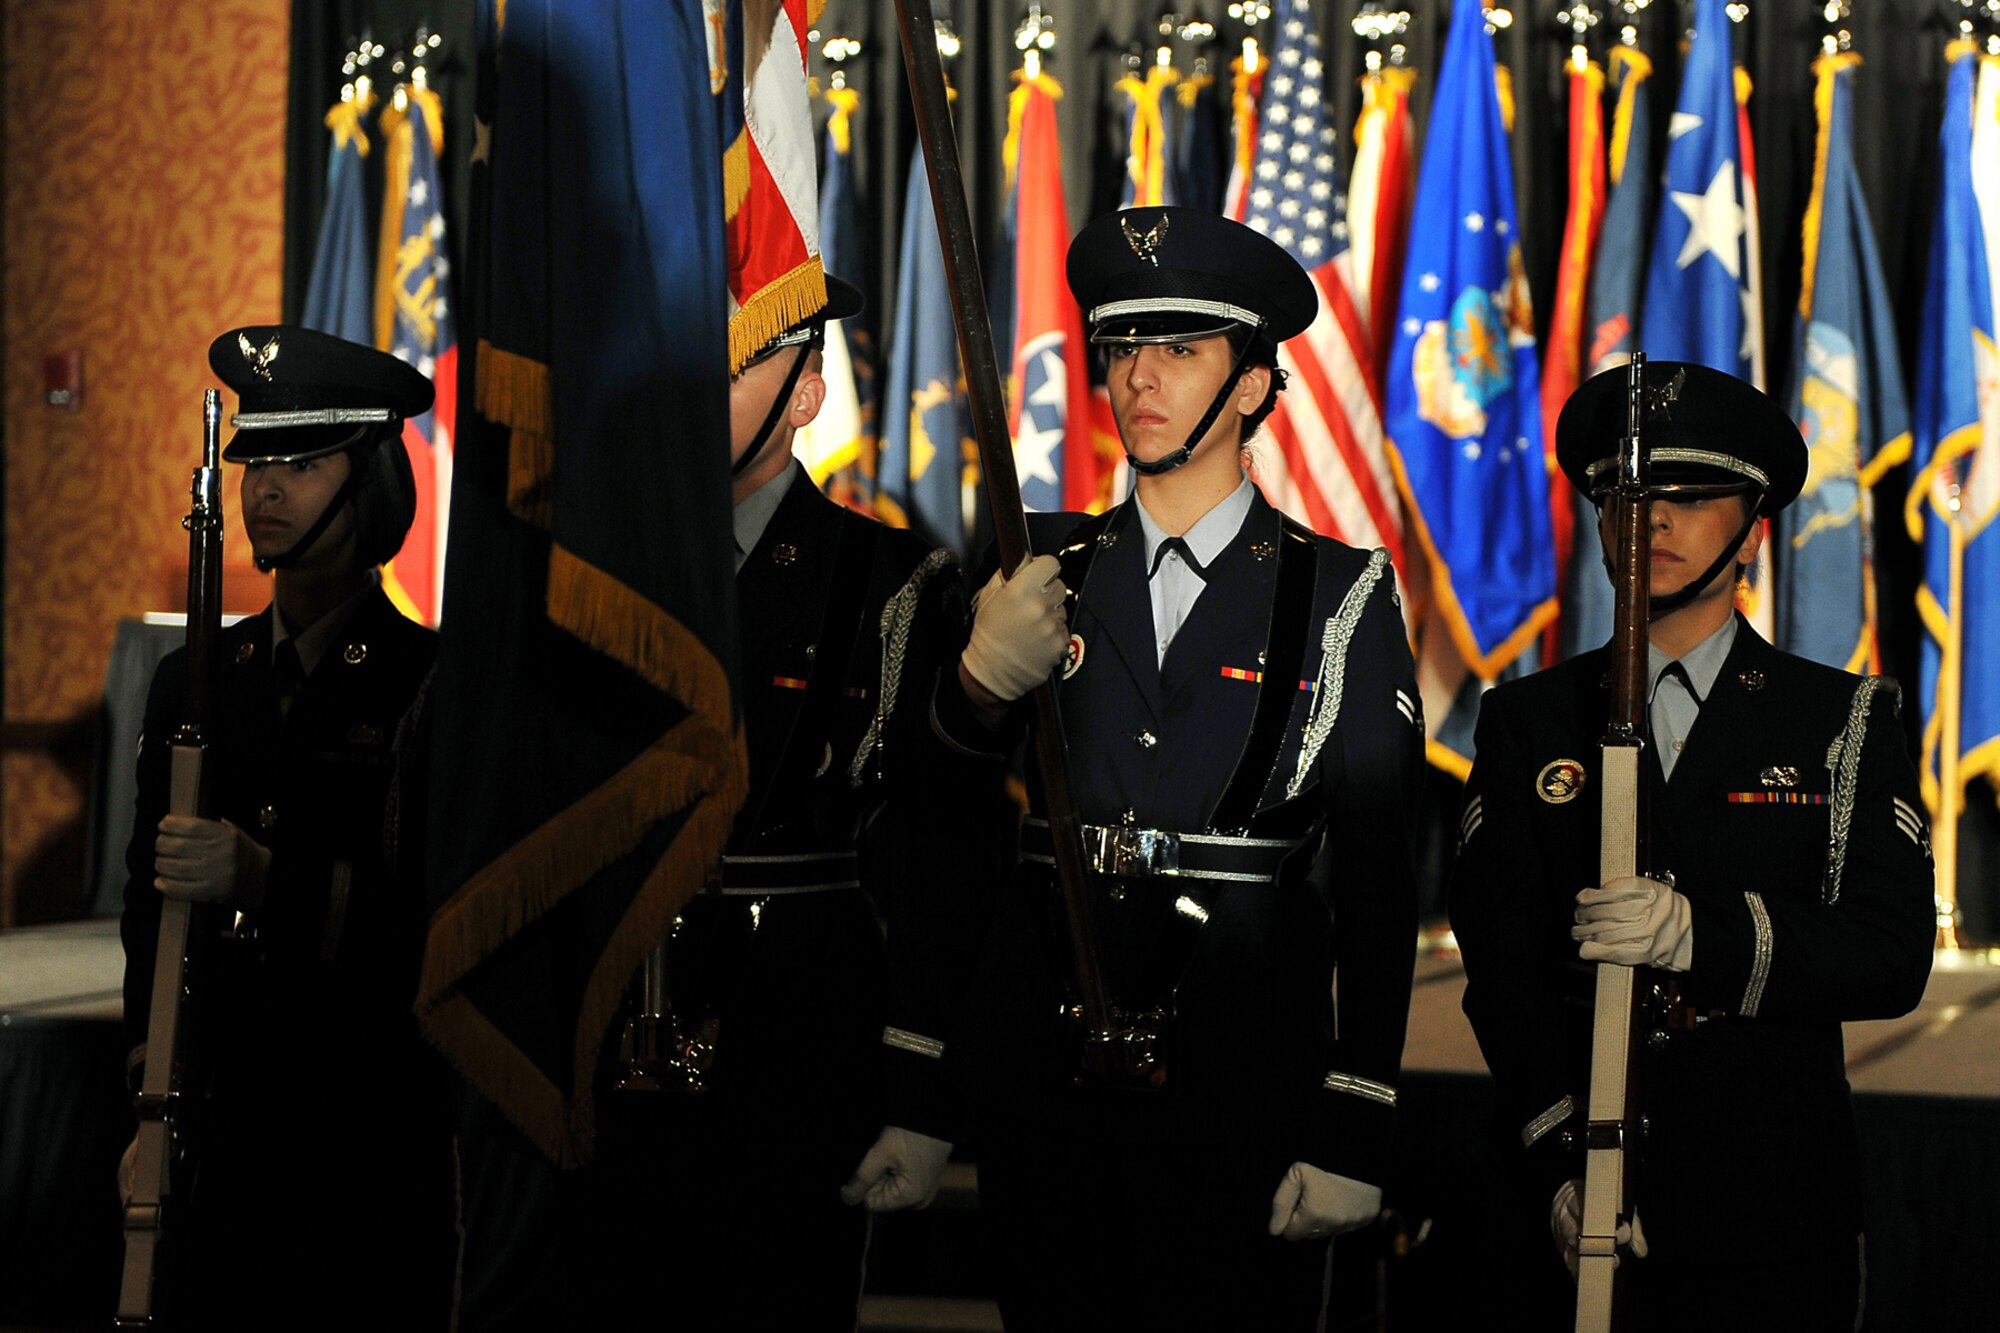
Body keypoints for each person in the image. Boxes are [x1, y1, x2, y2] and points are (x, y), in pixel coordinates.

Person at [931, 206, 1426, 1329]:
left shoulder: (1336, 593)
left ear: (1252, 382)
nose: (1138, 379)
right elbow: (930, 809)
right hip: (1043, 1079)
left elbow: (1378, 882)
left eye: (1181, 350)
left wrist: (1357, 1114)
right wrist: (969, 686)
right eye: (1121, 348)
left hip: (1239, 1076)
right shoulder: (1034, 560)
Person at [1448, 361, 1935, 1328]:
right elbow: (1499, 967)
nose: (1652, 523)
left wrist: (1699, 939)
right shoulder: (1530, 720)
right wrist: (1563, 1160)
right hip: (1572, 1202)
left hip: (1769, 1209)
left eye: (1690, 497)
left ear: (1754, 527)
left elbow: (1889, 954)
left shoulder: (1840, 720)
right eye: (1625, 497)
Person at [566, 276, 995, 1328]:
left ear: (807, 394)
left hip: (795, 1031)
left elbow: (939, 853)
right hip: (607, 1022)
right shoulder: (597, 567)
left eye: (736, 363)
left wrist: (919, 1087)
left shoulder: (889, 579)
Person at [118, 325, 454, 1328]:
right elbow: (148, 910)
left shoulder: (426, 682)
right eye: (255, 462)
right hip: (220, 1111)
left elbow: (432, 923)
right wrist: (149, 1099)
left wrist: (273, 880)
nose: (264, 490)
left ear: (370, 484)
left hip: (358, 1118)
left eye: (301, 465)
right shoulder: (197, 680)